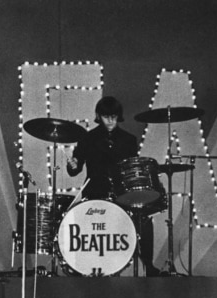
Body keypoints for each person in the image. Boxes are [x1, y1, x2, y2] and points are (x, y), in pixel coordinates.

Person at [67, 96, 160, 276]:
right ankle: (83, 267)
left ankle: (148, 265)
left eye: (114, 116)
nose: (110, 121)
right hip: (95, 193)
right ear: (98, 116)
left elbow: (132, 169)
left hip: (121, 195)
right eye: (106, 116)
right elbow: (74, 170)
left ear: (119, 116)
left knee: (145, 218)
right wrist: (72, 165)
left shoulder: (129, 140)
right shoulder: (88, 138)